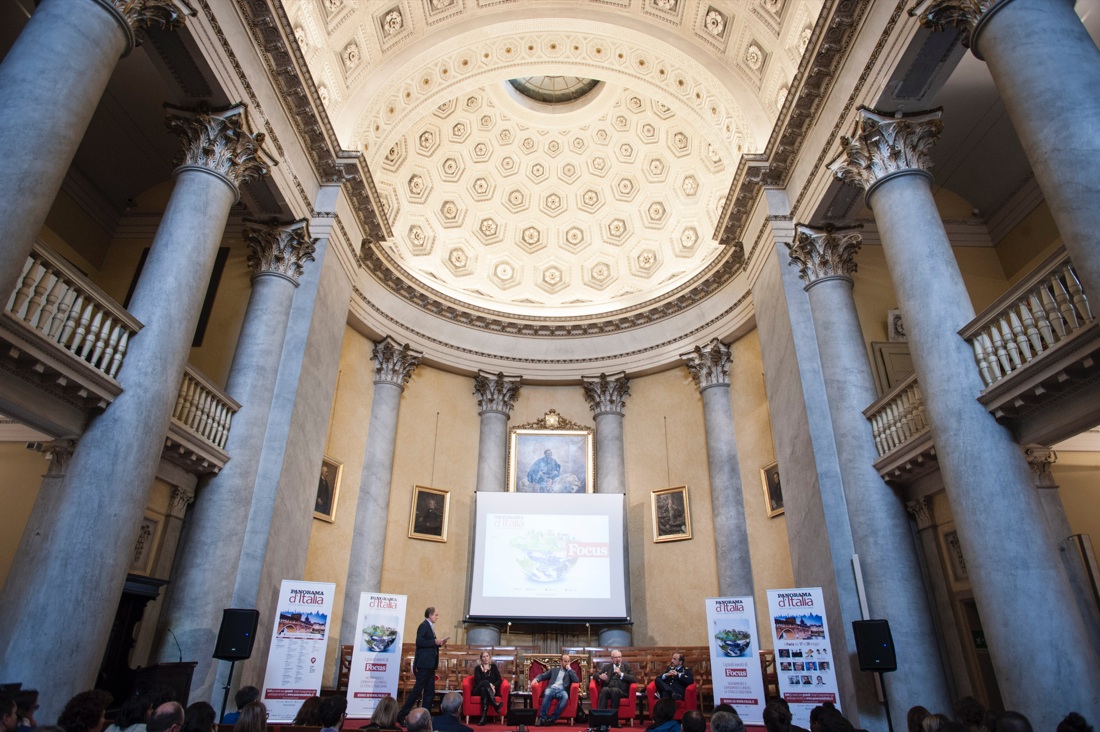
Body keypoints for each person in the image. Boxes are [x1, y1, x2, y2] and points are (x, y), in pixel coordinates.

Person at [398, 607, 449, 724]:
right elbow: (419, 642)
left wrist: (439, 643)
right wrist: (434, 642)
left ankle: (425, 716)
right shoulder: (424, 626)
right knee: (417, 690)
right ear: (430, 615)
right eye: (436, 615)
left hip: (430, 665)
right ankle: (402, 714)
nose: (437, 617)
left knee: (429, 692)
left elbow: (428, 644)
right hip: (424, 664)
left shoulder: (430, 626)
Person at [534, 653, 578, 726]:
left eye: (568, 661)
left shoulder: (570, 672)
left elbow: (576, 680)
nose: (567, 663)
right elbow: (542, 676)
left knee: (565, 697)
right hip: (552, 688)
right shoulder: (554, 670)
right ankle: (542, 718)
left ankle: (553, 718)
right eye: (565, 661)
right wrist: (536, 679)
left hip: (562, 690)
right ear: (561, 662)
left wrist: (569, 669)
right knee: (547, 694)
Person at [472, 651, 503, 725]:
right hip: (477, 690)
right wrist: (490, 685)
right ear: (481, 658)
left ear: (490, 657)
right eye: (483, 657)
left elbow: (499, 679)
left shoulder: (494, 667)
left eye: (487, 656)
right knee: (484, 683)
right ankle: (495, 704)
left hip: (489, 691)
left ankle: (483, 719)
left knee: (484, 690)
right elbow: (478, 681)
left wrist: (494, 686)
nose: (485, 658)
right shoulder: (478, 668)